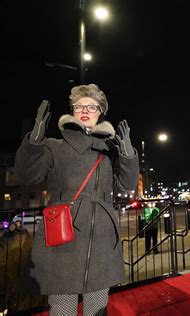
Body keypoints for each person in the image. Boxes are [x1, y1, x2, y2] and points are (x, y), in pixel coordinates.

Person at [14, 84, 139, 315]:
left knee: (97, 308)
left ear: (100, 111)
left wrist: (128, 154)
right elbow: (27, 175)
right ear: (72, 111)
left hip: (102, 240)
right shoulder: (55, 146)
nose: (85, 110)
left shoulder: (109, 151)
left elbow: (126, 186)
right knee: (63, 308)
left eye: (92, 106)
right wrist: (35, 139)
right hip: (64, 238)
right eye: (79, 105)